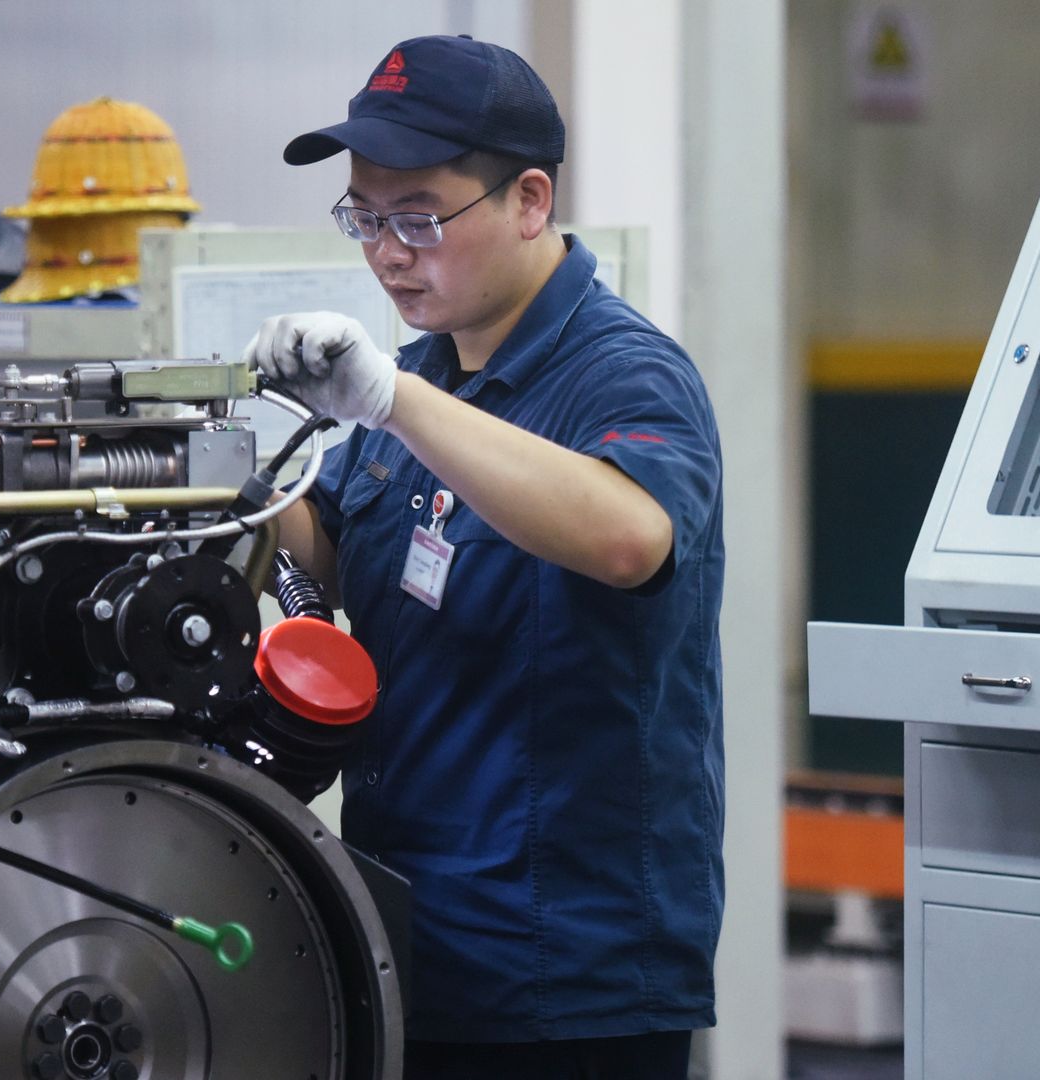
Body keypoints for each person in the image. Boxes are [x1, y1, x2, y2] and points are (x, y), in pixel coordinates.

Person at [245, 35, 725, 1080]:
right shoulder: (427, 375)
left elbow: (628, 534)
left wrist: (388, 400)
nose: (386, 251)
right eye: (365, 218)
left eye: (416, 217)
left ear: (530, 200)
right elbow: (329, 549)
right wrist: (222, 469)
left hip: (566, 979)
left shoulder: (625, 373)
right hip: (413, 937)